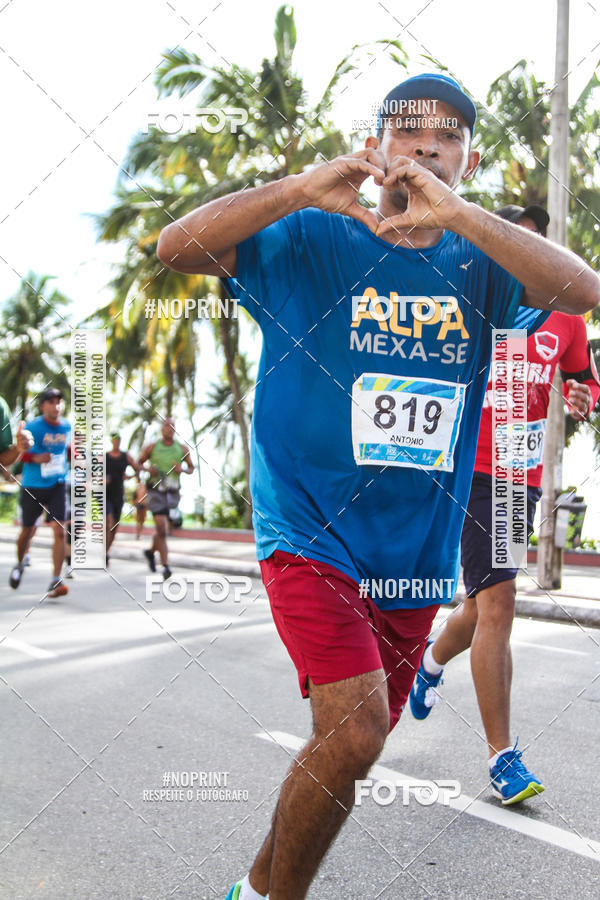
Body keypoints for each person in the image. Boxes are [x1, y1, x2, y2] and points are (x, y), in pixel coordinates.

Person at [157, 73, 600, 900]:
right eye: (409, 129)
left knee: (354, 745)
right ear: (377, 145)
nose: (428, 144)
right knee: (358, 730)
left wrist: (466, 218)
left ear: (467, 159)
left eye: (451, 136)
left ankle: (254, 892)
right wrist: (297, 188)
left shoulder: (484, 262)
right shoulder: (309, 236)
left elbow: (583, 292)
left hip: (414, 558)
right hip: (309, 528)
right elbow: (174, 247)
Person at [410, 203, 600, 804]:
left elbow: (585, 377)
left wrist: (582, 394)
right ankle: (502, 758)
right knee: (501, 601)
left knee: (486, 601)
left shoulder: (566, 315)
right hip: (468, 466)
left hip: (520, 475)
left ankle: (431, 660)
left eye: (535, 246)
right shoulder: (474, 297)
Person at [10, 388, 71, 598]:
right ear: (43, 405)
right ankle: (19, 563)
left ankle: (56, 580)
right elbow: (19, 455)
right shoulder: (33, 426)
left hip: (57, 483)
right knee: (27, 531)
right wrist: (36, 459)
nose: (57, 406)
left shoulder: (66, 426)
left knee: (60, 531)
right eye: (52, 402)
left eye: (59, 402)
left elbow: (68, 451)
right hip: (33, 485)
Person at [138, 418, 193, 580]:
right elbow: (138, 463)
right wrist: (149, 470)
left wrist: (181, 469)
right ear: (162, 429)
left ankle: (150, 552)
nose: (170, 429)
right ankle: (166, 566)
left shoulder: (181, 448)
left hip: (173, 492)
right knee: (162, 527)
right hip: (156, 491)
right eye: (167, 427)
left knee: (163, 529)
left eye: (172, 427)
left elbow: (191, 468)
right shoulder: (152, 447)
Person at [105, 432, 139, 565]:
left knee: (114, 526)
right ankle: (104, 550)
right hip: (105, 494)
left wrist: (130, 477)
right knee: (107, 522)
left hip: (118, 494)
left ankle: (106, 551)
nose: (116, 442)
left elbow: (137, 468)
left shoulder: (126, 456)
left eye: (118, 440)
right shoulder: (105, 457)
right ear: (111, 442)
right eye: (114, 440)